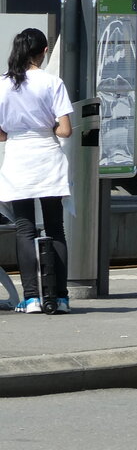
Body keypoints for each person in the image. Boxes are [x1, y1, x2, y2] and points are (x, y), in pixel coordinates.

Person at [0, 28, 74, 313]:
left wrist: (15, 133)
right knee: (56, 228)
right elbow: (65, 130)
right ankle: (61, 297)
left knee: (24, 228)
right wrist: (47, 128)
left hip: (18, 158)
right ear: (44, 52)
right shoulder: (52, 82)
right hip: (47, 157)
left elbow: (2, 133)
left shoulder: (4, 84)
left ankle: (30, 298)